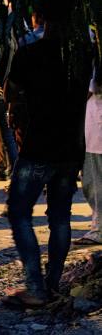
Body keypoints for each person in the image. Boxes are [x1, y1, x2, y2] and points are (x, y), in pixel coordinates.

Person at [4, 0, 92, 306]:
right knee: (60, 216)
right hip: (71, 147)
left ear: (43, 14)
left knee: (19, 211)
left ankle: (36, 287)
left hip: (39, 145)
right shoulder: (85, 53)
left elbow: (11, 92)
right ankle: (52, 283)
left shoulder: (31, 51)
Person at [75, 67, 102, 245]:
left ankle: (99, 229)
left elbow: (90, 88)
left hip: (97, 131)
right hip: (94, 128)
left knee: (94, 183)